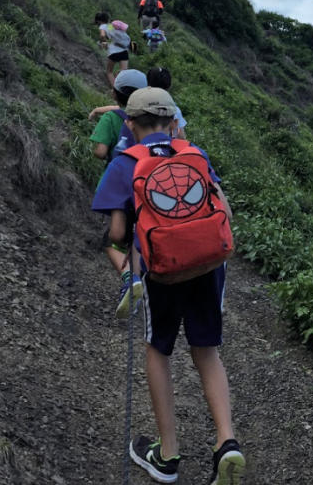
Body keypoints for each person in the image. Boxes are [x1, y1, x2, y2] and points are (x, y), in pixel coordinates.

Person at [91, 88, 244, 484]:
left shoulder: (126, 163)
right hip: (209, 266)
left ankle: (168, 455)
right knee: (206, 351)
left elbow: (118, 232)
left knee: (158, 351)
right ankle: (227, 443)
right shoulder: (195, 154)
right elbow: (220, 208)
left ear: (130, 123)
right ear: (172, 122)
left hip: (161, 271)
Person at [88, 69, 149, 318]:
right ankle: (138, 280)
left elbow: (100, 152)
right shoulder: (146, 120)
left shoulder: (112, 119)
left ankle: (129, 279)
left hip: (119, 188)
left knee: (112, 240)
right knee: (139, 236)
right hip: (147, 185)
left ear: (115, 93)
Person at [96, 14, 131, 87]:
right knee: (123, 72)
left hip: (114, 52)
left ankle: (115, 88)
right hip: (124, 50)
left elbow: (102, 36)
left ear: (99, 21)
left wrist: (103, 43)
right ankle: (120, 84)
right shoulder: (111, 25)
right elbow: (114, 36)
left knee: (109, 71)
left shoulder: (103, 26)